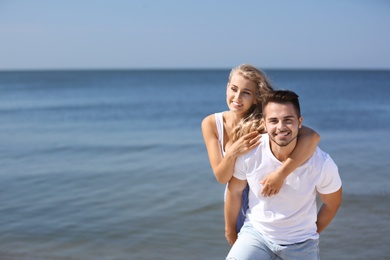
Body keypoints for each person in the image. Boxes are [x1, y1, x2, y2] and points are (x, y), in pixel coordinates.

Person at [201, 64, 320, 232]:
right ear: (227, 87)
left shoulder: (264, 124)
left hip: (265, 194)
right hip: (235, 197)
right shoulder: (212, 124)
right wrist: (234, 152)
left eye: (246, 93)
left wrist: (281, 174)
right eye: (234, 89)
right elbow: (222, 177)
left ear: (256, 98)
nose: (237, 97)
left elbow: (312, 137)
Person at [225, 90, 342, 260]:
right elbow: (234, 192)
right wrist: (230, 231)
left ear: (299, 122)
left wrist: (308, 233)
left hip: (302, 243)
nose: (281, 127)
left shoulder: (321, 163)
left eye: (288, 120)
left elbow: (332, 203)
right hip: (257, 235)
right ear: (264, 124)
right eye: (273, 121)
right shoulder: (251, 154)